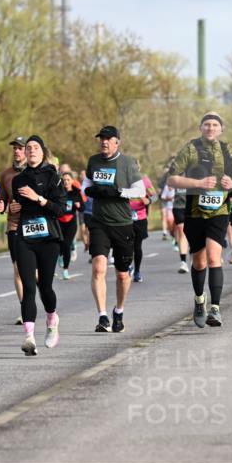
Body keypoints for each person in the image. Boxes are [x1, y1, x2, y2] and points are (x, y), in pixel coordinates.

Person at [166, 112, 232, 326]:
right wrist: (198, 183)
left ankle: (215, 309)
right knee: (199, 261)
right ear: (201, 128)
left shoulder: (229, 150)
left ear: (221, 129)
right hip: (194, 212)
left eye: (215, 125)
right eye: (207, 124)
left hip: (219, 211)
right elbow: (172, 179)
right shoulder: (190, 149)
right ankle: (200, 300)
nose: (210, 128)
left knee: (214, 256)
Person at [10, 135, 66, 355]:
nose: (31, 150)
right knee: (28, 287)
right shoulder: (18, 179)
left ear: (42, 152)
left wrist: (38, 198)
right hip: (25, 237)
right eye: (28, 148)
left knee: (45, 287)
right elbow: (17, 206)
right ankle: (29, 337)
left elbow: (60, 210)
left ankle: (52, 320)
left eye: (35, 147)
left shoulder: (53, 176)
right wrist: (10, 208)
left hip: (48, 238)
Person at [83, 125, 142, 332]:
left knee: (122, 275)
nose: (104, 142)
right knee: (99, 268)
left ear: (117, 142)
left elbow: (140, 189)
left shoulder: (127, 162)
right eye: (101, 139)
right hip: (99, 223)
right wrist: (92, 190)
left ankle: (119, 311)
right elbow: (85, 185)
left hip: (122, 224)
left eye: (108, 139)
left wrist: (119, 192)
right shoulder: (94, 161)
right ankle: (102, 317)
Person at [0, 137, 26, 325]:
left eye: (20, 148)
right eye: (15, 148)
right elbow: (2, 201)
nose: (16, 151)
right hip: (14, 226)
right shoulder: (6, 174)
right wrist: (1, 206)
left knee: (34, 273)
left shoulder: (38, 172)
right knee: (18, 269)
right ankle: (25, 309)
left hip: (35, 225)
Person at [129, 166, 158, 283]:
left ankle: (137, 271)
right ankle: (127, 267)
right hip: (124, 217)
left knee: (137, 246)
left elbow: (154, 196)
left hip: (140, 217)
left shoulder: (145, 181)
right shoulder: (122, 180)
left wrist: (149, 201)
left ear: (139, 168)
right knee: (125, 245)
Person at [58, 170, 84, 280]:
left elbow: (82, 208)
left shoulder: (76, 192)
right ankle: (60, 255)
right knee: (60, 243)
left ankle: (65, 270)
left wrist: (78, 205)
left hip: (71, 222)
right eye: (64, 180)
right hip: (59, 221)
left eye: (68, 180)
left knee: (67, 245)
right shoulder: (59, 192)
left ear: (72, 181)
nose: (66, 182)